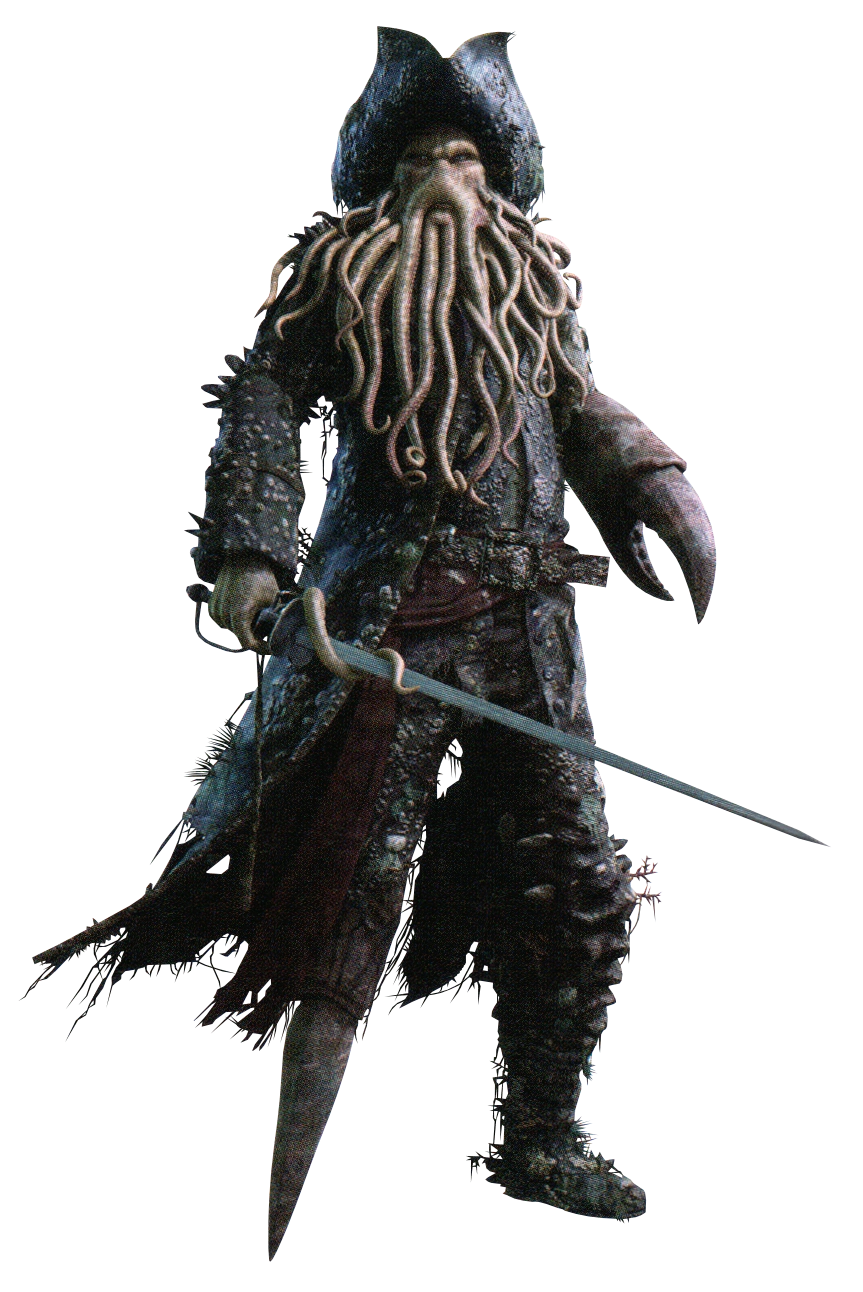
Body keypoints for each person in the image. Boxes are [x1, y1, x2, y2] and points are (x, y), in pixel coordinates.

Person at [31, 27, 716, 1260]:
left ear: (499, 182)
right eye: (416, 159)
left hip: (529, 643)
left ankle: (535, 1131)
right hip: (390, 635)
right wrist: (251, 563)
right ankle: (286, 1193)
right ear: (377, 183)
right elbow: (260, 414)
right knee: (355, 875)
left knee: (574, 878)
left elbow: (579, 406)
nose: (443, 177)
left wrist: (650, 479)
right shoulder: (333, 295)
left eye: (465, 157)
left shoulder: (532, 302)